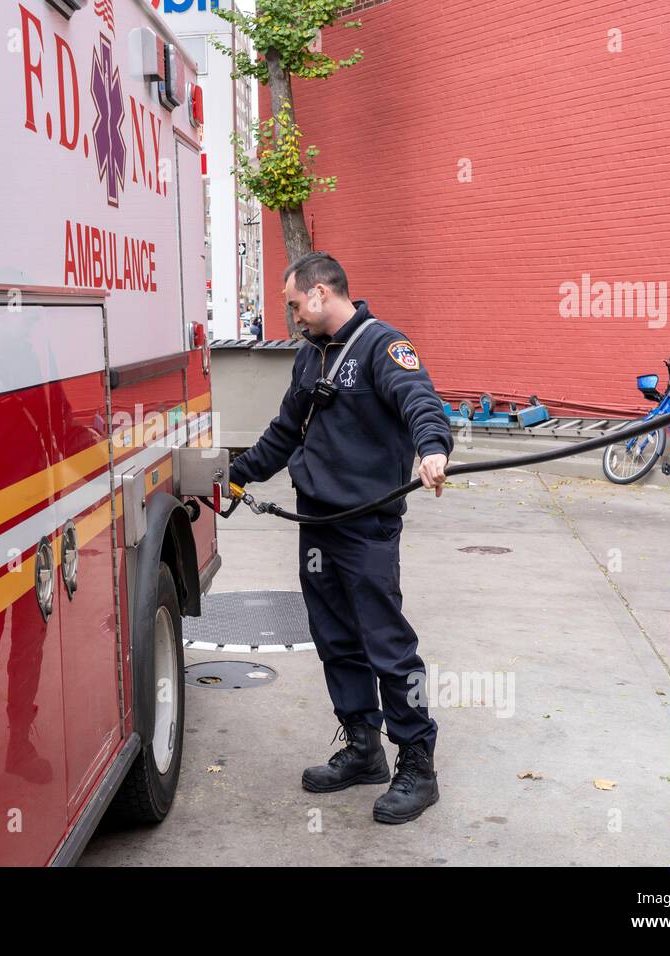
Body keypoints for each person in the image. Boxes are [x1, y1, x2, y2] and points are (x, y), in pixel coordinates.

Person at [228, 252, 453, 824]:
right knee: (335, 637)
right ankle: (363, 748)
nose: (294, 315)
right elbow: (284, 432)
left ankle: (418, 765)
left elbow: (420, 402)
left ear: (323, 293)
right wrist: (237, 474)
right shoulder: (310, 358)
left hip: (367, 523)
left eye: (296, 303)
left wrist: (431, 449)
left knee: (387, 644)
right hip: (316, 524)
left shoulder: (383, 345)